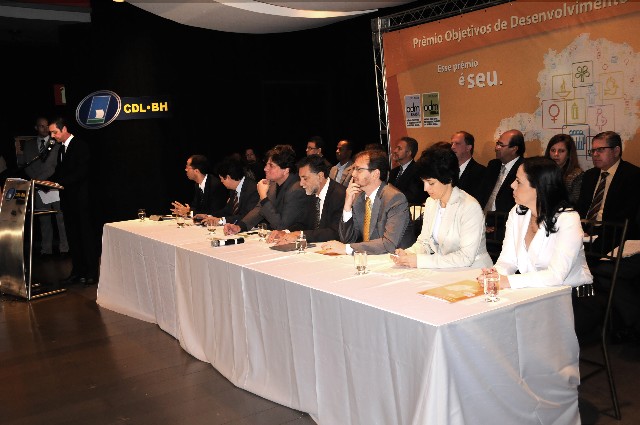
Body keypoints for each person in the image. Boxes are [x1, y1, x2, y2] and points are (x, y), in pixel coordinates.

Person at [481, 157, 595, 337]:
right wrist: (494, 276)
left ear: (539, 187)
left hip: (572, 298)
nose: (512, 185)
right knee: (490, 320)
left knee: (511, 329)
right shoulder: (517, 213)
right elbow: (507, 261)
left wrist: (507, 282)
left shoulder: (568, 219)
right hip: (534, 294)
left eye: (518, 181)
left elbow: (556, 276)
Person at [392, 145, 491, 268]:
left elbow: (466, 257)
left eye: (431, 183)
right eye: (424, 182)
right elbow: (424, 242)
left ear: (448, 179)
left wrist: (420, 261)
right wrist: (408, 253)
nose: (425, 188)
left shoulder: (469, 207)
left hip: (474, 270)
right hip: (446, 268)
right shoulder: (431, 202)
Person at [321, 149, 414, 255]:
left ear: (375, 174)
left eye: (359, 169)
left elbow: (389, 244)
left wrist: (347, 248)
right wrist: (347, 206)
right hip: (371, 258)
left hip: (396, 259)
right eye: (354, 169)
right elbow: (347, 239)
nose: (353, 174)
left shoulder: (394, 198)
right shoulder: (359, 198)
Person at [46, 117, 99, 285]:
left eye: (54, 132)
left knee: (85, 237)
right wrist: (46, 183)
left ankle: (91, 273)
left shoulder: (80, 145)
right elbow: (60, 171)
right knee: (73, 237)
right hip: (68, 201)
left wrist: (59, 182)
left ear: (64, 129)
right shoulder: (61, 149)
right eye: (51, 133)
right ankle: (77, 271)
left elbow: (81, 172)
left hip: (82, 201)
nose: (52, 136)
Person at [224, 144, 308, 234]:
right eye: (266, 164)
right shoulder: (273, 183)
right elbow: (259, 209)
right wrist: (240, 227)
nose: (265, 169)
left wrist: (263, 197)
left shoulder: (296, 189)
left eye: (271, 166)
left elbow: (281, 226)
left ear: (286, 170)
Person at [16, 117, 69, 255]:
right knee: (43, 220)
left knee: (61, 219)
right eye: (41, 126)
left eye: (46, 126)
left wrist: (44, 179)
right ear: (36, 128)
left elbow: (55, 166)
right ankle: (46, 249)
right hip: (38, 186)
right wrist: (37, 181)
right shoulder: (29, 145)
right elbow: (25, 165)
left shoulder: (56, 143)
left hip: (54, 185)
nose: (45, 129)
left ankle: (65, 247)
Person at [269, 154, 346, 244]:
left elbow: (335, 232)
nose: (301, 184)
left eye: (305, 179)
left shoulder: (340, 195)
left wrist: (301, 235)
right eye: (300, 179)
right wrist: (285, 232)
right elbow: (303, 223)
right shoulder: (311, 193)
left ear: (320, 176)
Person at [576, 131, 640, 238]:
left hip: (613, 235)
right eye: (593, 150)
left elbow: (627, 215)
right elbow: (581, 208)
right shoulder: (589, 175)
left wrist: (596, 236)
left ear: (616, 151)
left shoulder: (633, 175)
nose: (595, 154)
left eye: (600, 150)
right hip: (584, 232)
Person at [478, 129, 525, 214]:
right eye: (497, 143)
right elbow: (482, 193)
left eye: (501, 145)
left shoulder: (524, 169)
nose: (496, 148)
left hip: (506, 218)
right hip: (482, 216)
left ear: (514, 149)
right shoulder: (493, 165)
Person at [200, 158, 259, 226]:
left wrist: (221, 220)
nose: (221, 181)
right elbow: (227, 211)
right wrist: (208, 216)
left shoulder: (253, 189)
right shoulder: (234, 188)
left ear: (228, 177)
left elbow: (247, 216)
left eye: (221, 178)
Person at [544, 134, 583, 205]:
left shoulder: (577, 175)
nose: (556, 154)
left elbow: (575, 204)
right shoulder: (543, 172)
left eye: (561, 151)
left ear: (568, 154)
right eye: (553, 150)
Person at [389, 136, 427, 206]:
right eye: (396, 147)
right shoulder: (393, 172)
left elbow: (414, 197)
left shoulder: (418, 170)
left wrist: (393, 191)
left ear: (409, 153)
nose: (395, 151)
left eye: (399, 148)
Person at [450, 131, 486, 202]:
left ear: (468, 148)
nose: (452, 147)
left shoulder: (481, 172)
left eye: (457, 143)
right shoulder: (447, 169)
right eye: (452, 144)